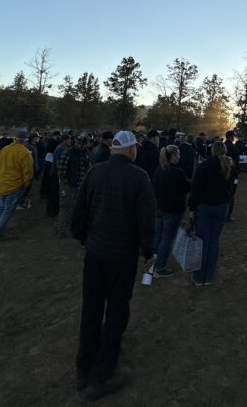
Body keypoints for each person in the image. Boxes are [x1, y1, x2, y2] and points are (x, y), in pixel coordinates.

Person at [70, 130, 156, 398]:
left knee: (91, 310)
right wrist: (148, 251)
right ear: (131, 150)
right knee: (117, 311)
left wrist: (86, 239)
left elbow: (78, 214)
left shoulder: (95, 172)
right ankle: (103, 375)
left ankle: (83, 369)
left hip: (95, 254)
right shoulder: (139, 177)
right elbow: (146, 219)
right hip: (122, 257)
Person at [187, 140, 234, 286]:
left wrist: (192, 208)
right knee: (213, 241)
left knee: (202, 241)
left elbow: (196, 189)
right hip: (222, 207)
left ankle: (198, 277)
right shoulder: (229, 166)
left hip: (205, 207)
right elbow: (233, 187)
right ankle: (208, 276)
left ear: (212, 150)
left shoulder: (204, 167)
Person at [0, 130, 34, 241]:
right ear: (25, 140)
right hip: (14, 185)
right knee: (7, 210)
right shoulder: (25, 152)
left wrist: (0, 178)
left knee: (0, 208)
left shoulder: (5, 149)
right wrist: (26, 184)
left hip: (2, 183)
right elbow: (28, 171)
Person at [153, 144, 191, 277]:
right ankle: (159, 266)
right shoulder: (177, 172)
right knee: (167, 238)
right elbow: (187, 187)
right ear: (173, 156)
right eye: (178, 154)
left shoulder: (159, 170)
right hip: (173, 210)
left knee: (158, 236)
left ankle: (153, 263)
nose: (179, 157)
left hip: (160, 207)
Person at [56, 133, 90, 238]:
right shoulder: (68, 153)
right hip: (68, 185)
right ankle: (61, 231)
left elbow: (87, 167)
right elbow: (61, 170)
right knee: (65, 207)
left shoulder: (85, 153)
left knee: (73, 207)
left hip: (79, 185)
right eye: (81, 143)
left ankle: (66, 226)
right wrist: (66, 183)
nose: (82, 146)